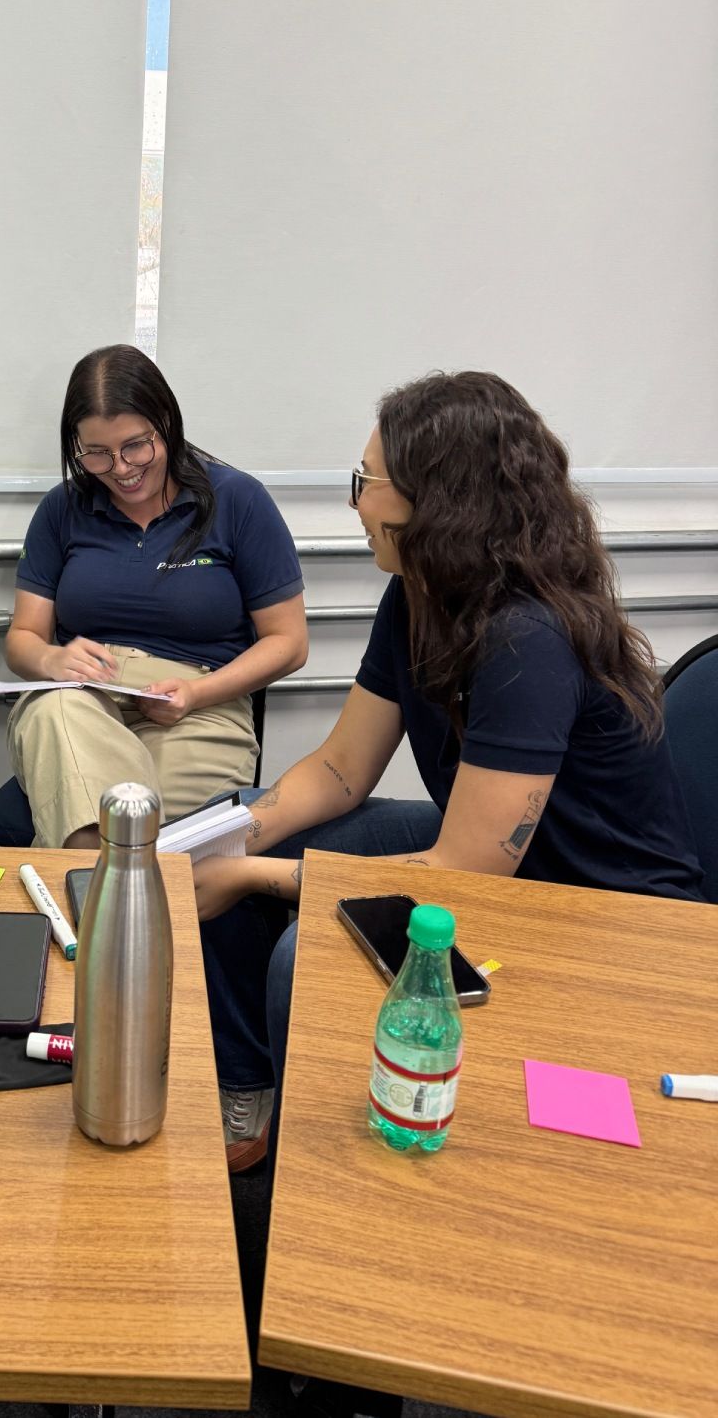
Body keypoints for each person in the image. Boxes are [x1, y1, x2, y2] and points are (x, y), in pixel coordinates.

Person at [196, 370, 704, 1171]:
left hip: (597, 916)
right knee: (239, 818)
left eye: (367, 483)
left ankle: (319, 1170)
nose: (356, 503)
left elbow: (461, 871)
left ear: (440, 505)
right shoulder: (415, 596)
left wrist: (252, 875)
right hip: (502, 859)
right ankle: (250, 1091)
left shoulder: (525, 643)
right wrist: (234, 835)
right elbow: (339, 767)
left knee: (298, 941)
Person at [4, 343, 309, 852]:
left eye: (136, 446)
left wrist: (197, 695)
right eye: (96, 453)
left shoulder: (237, 500)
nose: (121, 468)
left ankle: (83, 904)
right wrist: (52, 657)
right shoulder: (62, 509)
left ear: (166, 423)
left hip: (199, 708)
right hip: (85, 700)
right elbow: (22, 640)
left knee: (148, 834)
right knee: (55, 715)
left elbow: (289, 643)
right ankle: (112, 900)